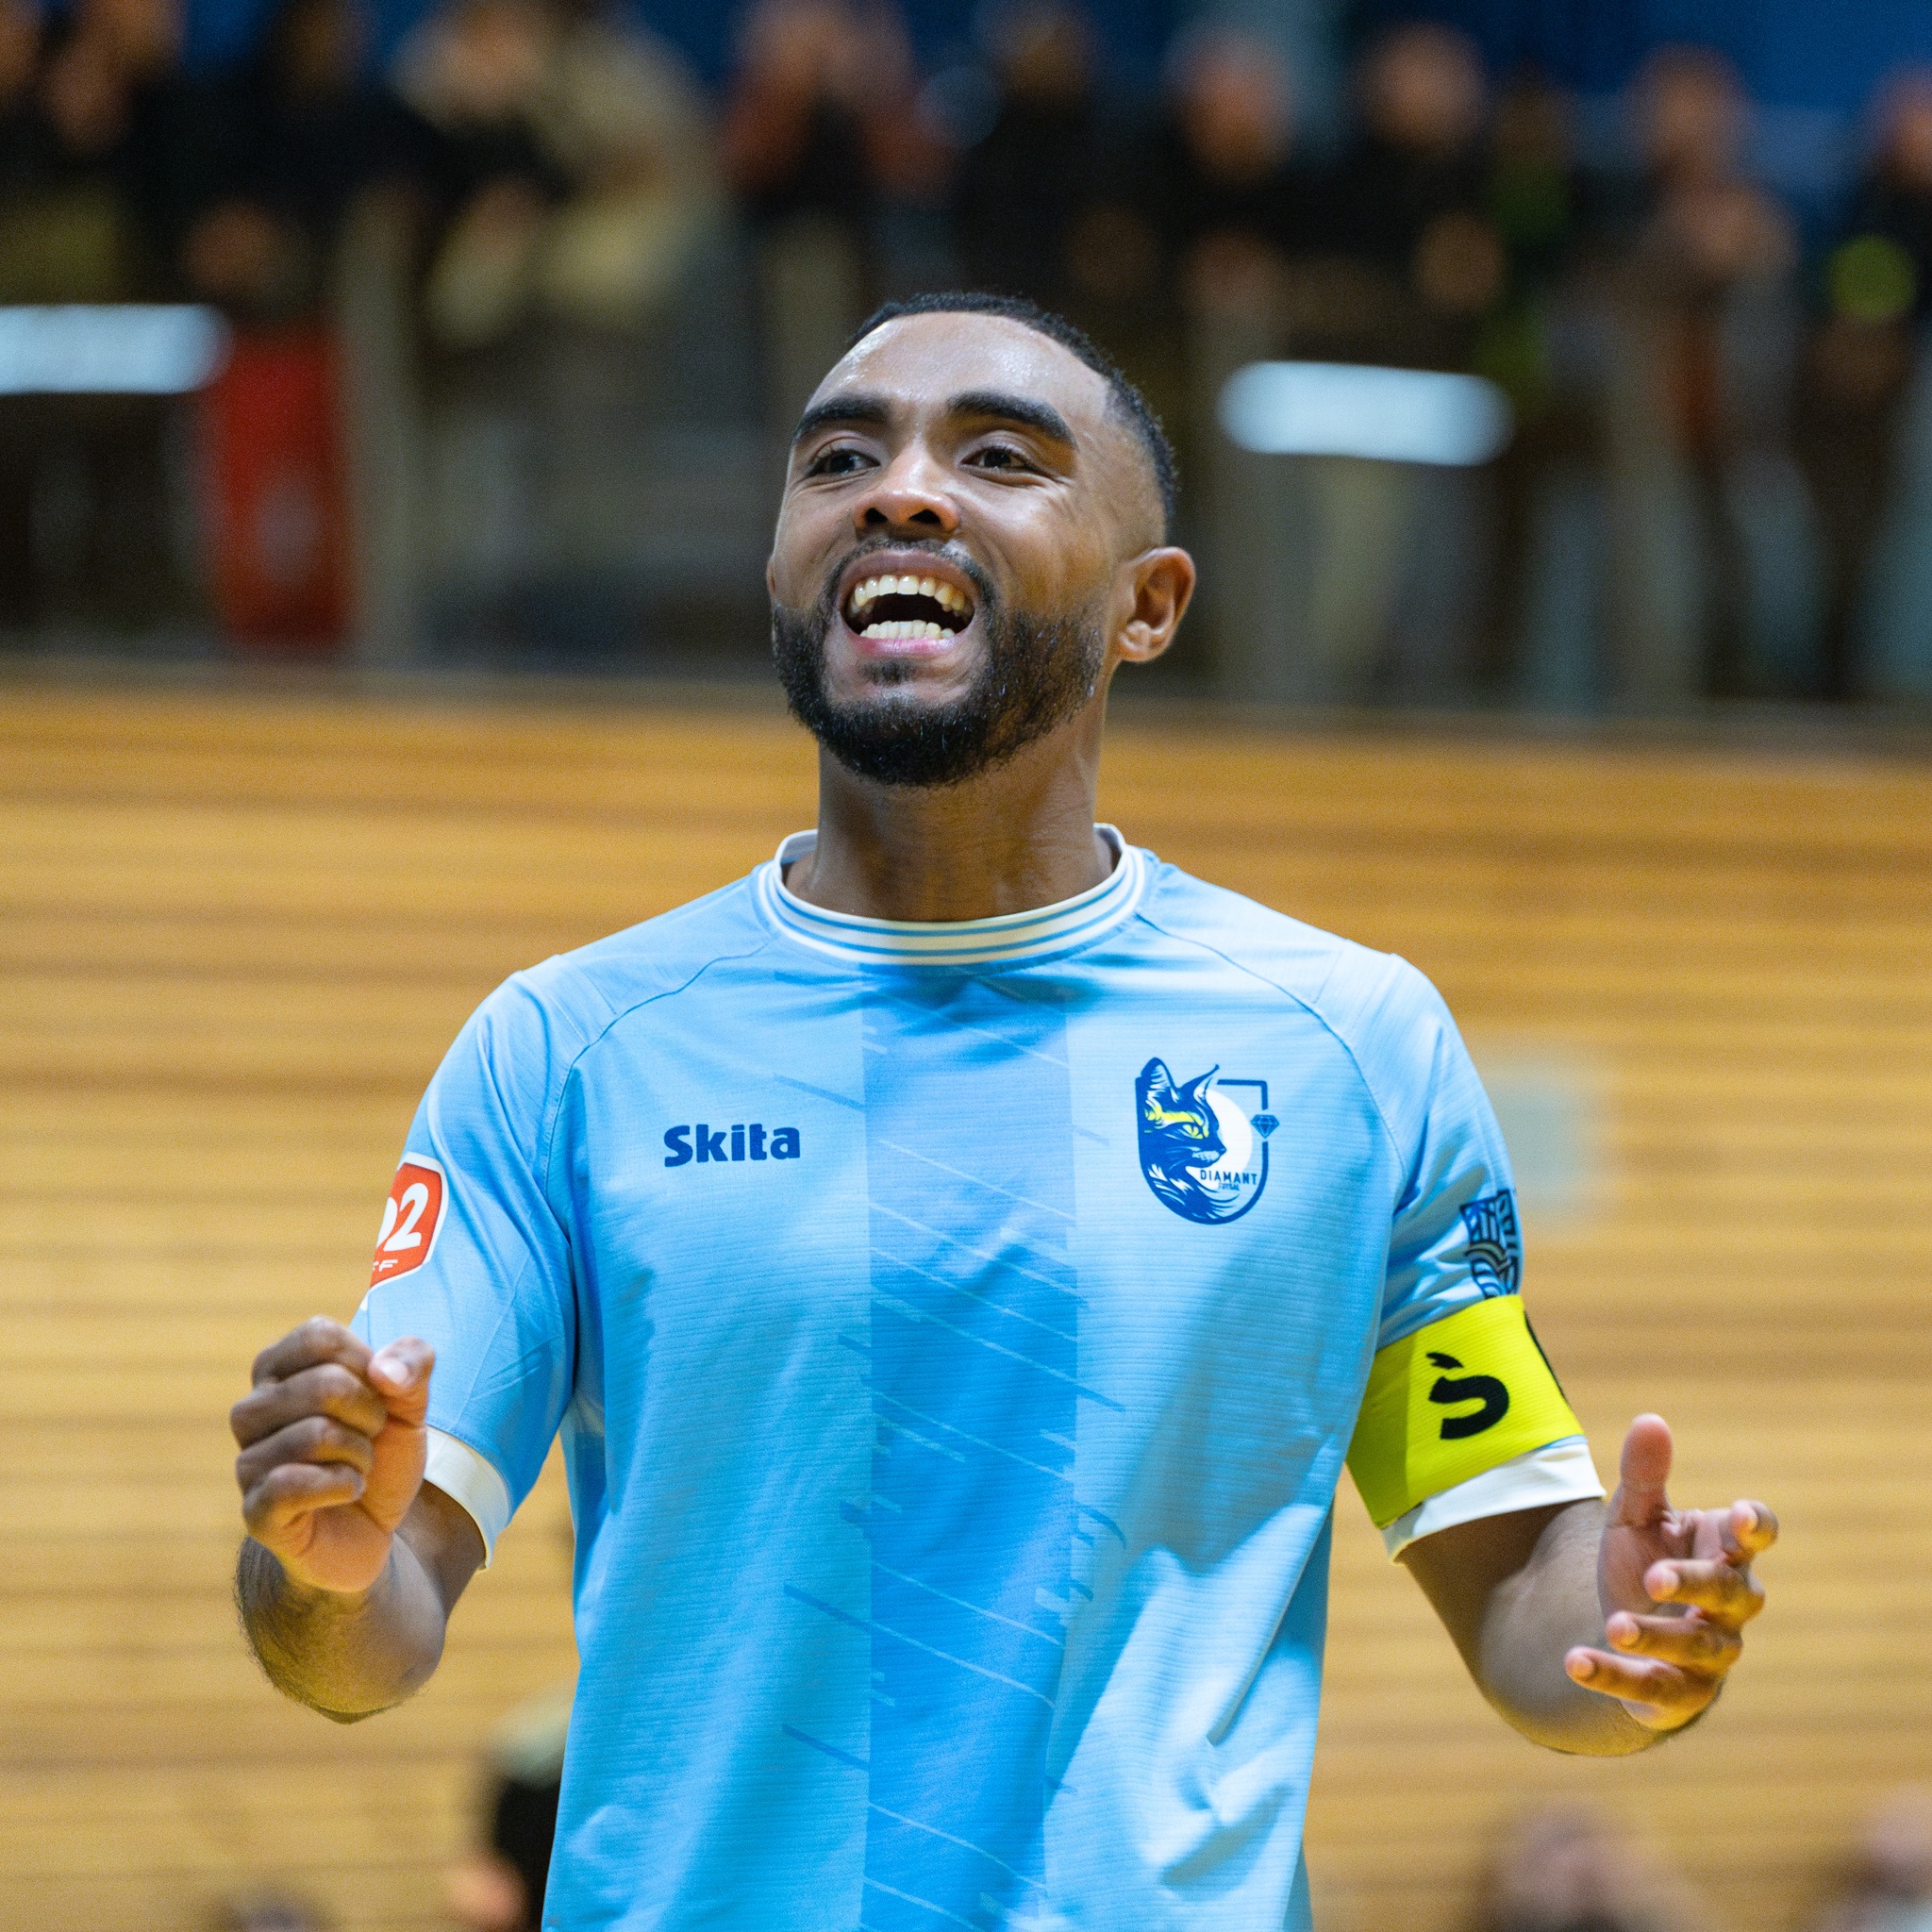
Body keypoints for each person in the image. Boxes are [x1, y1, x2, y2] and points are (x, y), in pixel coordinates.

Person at [229, 291, 1779, 1932]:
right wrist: (318, 1567)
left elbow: (1525, 1592)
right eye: (840, 460)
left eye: (999, 457)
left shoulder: (1351, 1049)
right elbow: (362, 1637)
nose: (899, 492)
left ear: (1147, 606)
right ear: (782, 569)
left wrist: (1635, 1639)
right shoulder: (564, 1052)